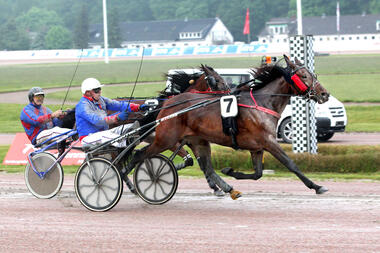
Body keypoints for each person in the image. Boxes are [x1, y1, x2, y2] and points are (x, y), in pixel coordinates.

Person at [75, 77, 149, 147]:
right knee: (114, 137)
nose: (100, 92)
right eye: (96, 90)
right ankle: (128, 141)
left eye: (100, 89)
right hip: (88, 137)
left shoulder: (101, 100)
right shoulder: (82, 106)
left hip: (103, 133)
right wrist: (117, 118)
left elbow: (119, 105)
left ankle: (132, 140)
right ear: (88, 93)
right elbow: (97, 121)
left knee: (128, 127)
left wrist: (138, 107)